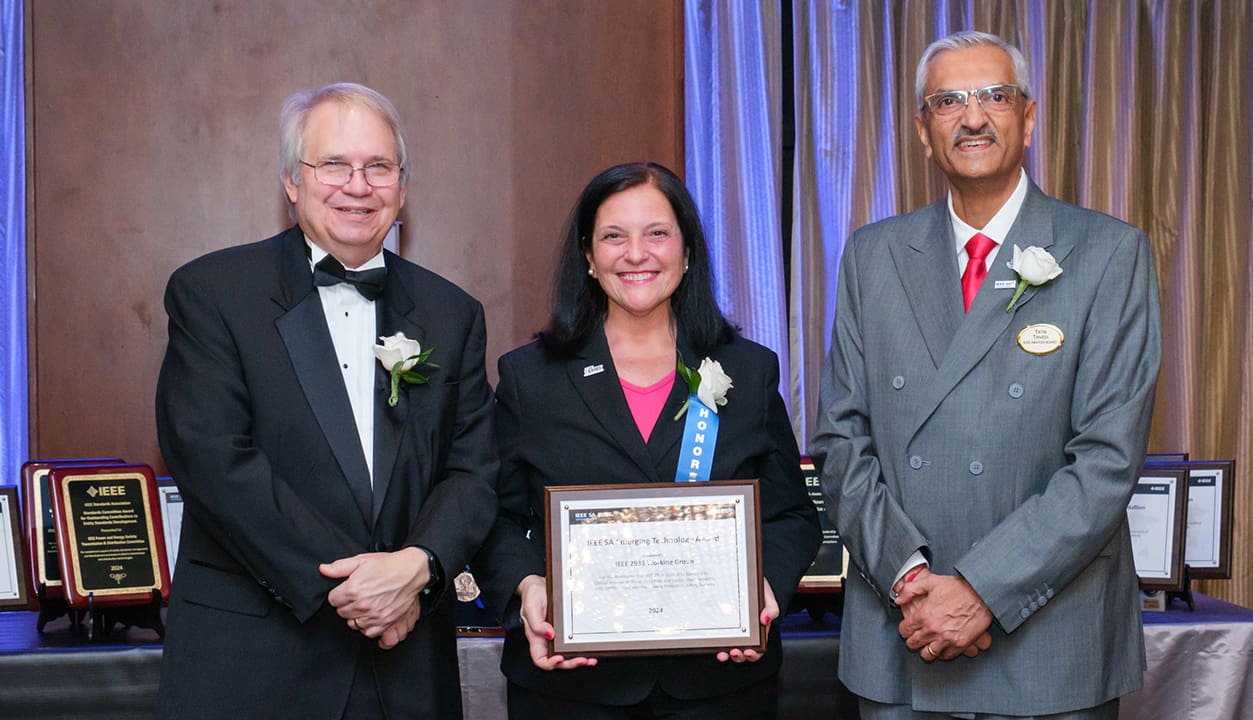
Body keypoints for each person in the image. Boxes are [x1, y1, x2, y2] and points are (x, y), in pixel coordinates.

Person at [810, 31, 1161, 720]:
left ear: (1028, 118)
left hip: (1051, 642)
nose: (973, 117)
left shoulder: (1108, 253)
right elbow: (841, 442)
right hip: (903, 633)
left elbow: (1106, 462)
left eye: (995, 96)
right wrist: (910, 578)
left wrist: (980, 590)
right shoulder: (872, 257)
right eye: (948, 101)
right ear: (922, 129)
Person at [155, 82, 498, 719]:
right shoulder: (213, 293)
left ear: (402, 185)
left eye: (378, 167)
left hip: (405, 669)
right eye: (333, 164)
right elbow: (216, 463)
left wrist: (418, 567)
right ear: (292, 181)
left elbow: (474, 472)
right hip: (256, 661)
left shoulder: (452, 314)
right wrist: (361, 590)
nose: (357, 185)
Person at [471, 162, 821, 719]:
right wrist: (526, 584)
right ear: (588, 256)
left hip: (719, 685)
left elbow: (791, 515)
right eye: (614, 236)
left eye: (657, 233)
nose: (637, 254)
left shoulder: (748, 371)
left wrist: (764, 587)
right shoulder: (529, 378)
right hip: (571, 689)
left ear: (687, 252)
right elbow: (492, 516)